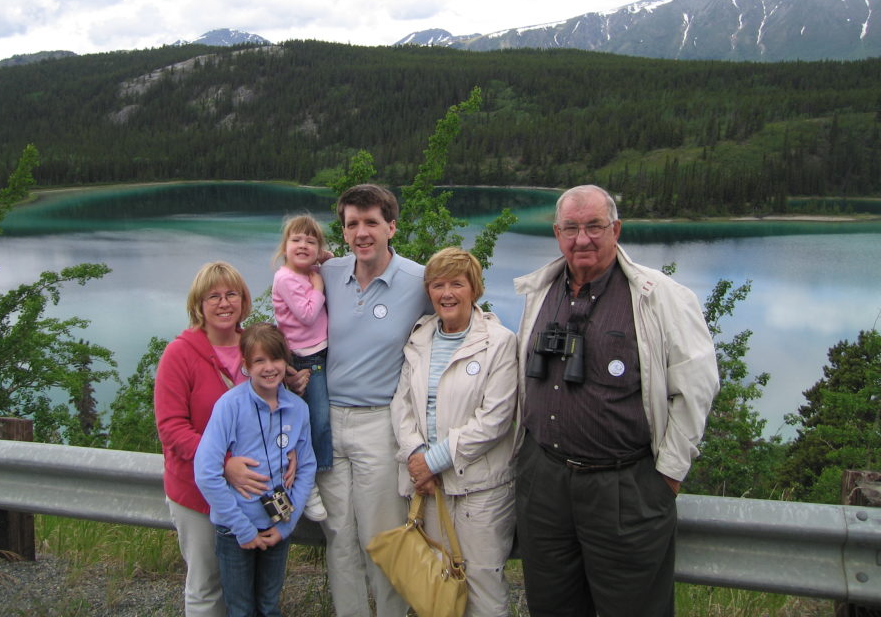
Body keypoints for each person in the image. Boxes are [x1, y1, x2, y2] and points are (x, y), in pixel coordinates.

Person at [513, 185, 720, 617]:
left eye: (594, 226)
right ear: (557, 233)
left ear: (616, 229)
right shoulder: (541, 290)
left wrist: (669, 474)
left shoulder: (659, 296)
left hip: (624, 485)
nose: (581, 238)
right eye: (571, 228)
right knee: (551, 607)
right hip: (545, 481)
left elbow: (697, 387)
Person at [286, 183, 432, 617]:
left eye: (371, 222)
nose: (362, 232)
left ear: (391, 226)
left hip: (379, 424)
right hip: (328, 421)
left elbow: (458, 315)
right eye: (353, 224)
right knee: (339, 536)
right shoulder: (328, 273)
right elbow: (294, 323)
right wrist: (291, 369)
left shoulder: (418, 280)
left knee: (380, 536)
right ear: (344, 231)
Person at [391, 247, 519, 617]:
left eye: (456, 284)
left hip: (479, 489)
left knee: (482, 587)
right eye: (437, 284)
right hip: (428, 486)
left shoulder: (498, 342)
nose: (446, 293)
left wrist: (431, 461)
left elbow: (494, 419)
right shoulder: (420, 337)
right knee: (436, 588)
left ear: (474, 289)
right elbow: (402, 406)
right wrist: (417, 456)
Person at [194, 323, 316, 617]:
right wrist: (242, 528)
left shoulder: (297, 409)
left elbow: (307, 465)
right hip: (235, 530)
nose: (269, 368)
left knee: (269, 606)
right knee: (240, 609)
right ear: (246, 365)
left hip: (276, 526)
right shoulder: (230, 406)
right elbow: (206, 472)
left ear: (285, 361)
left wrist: (286, 526)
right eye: (259, 361)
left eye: (275, 359)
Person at [154, 261, 254, 617]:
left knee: (245, 586)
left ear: (244, 301)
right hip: (198, 492)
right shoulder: (179, 354)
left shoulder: (254, 347)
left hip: (249, 490)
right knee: (207, 584)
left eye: (232, 294)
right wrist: (224, 464)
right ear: (198, 305)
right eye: (213, 296)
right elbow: (172, 427)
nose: (224, 303)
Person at [271, 214, 330, 522]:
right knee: (315, 421)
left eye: (311, 241)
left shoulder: (310, 271)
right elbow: (307, 315)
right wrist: (319, 282)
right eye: (296, 240)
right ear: (285, 247)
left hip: (322, 353)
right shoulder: (286, 278)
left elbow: (330, 259)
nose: (303, 245)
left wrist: (322, 260)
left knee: (320, 420)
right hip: (305, 359)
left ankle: (316, 474)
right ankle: (311, 483)